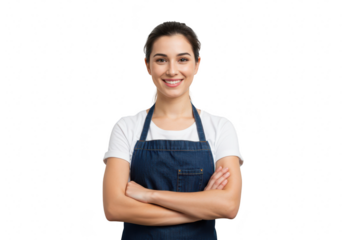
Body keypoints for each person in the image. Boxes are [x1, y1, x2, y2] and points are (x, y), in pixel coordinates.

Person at [102, 19, 244, 239]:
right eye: (161, 60)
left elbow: (229, 206)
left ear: (197, 64)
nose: (172, 70)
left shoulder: (220, 127)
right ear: (147, 66)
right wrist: (201, 208)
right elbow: (114, 208)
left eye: (182, 59)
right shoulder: (126, 126)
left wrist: (149, 195)